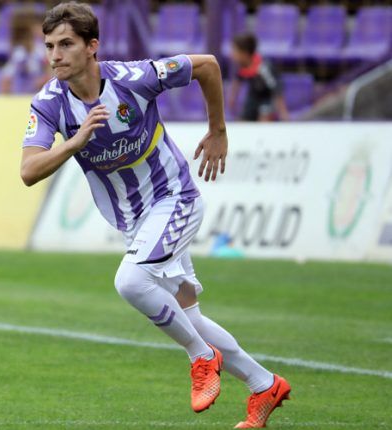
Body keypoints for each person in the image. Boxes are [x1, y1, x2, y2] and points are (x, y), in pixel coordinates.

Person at [20, 3, 291, 428]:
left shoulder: (135, 78)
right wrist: (73, 143)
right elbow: (28, 171)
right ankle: (264, 385)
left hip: (175, 198)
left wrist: (217, 129)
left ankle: (202, 358)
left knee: (130, 281)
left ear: (92, 47)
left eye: (66, 44)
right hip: (136, 221)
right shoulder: (49, 103)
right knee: (192, 317)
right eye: (50, 45)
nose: (55, 55)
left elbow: (208, 66)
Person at [228, 33, 289, 122]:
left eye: (234, 51)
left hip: (267, 98)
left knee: (264, 118)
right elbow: (237, 81)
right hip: (253, 97)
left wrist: (283, 113)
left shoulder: (263, 67)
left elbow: (277, 89)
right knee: (242, 121)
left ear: (245, 53)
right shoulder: (243, 65)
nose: (231, 54)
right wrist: (232, 99)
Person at [1, 8, 51, 94]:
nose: (38, 31)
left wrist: (44, 79)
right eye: (36, 27)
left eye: (40, 27)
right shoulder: (19, 52)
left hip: (40, 93)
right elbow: (7, 76)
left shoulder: (45, 49)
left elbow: (50, 71)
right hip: (21, 93)